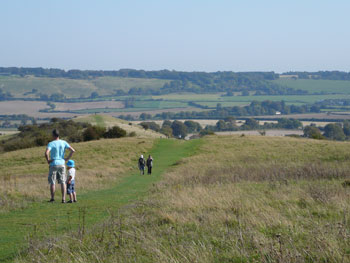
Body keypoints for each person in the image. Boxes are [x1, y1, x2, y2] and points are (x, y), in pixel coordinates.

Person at [45, 129, 75, 203]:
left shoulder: (51, 143)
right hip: (62, 163)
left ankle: (52, 198)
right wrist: (67, 158)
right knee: (63, 182)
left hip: (53, 163)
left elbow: (46, 153)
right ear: (58, 135)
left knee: (52, 182)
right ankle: (63, 199)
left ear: (53, 135)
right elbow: (72, 150)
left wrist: (48, 160)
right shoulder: (64, 142)